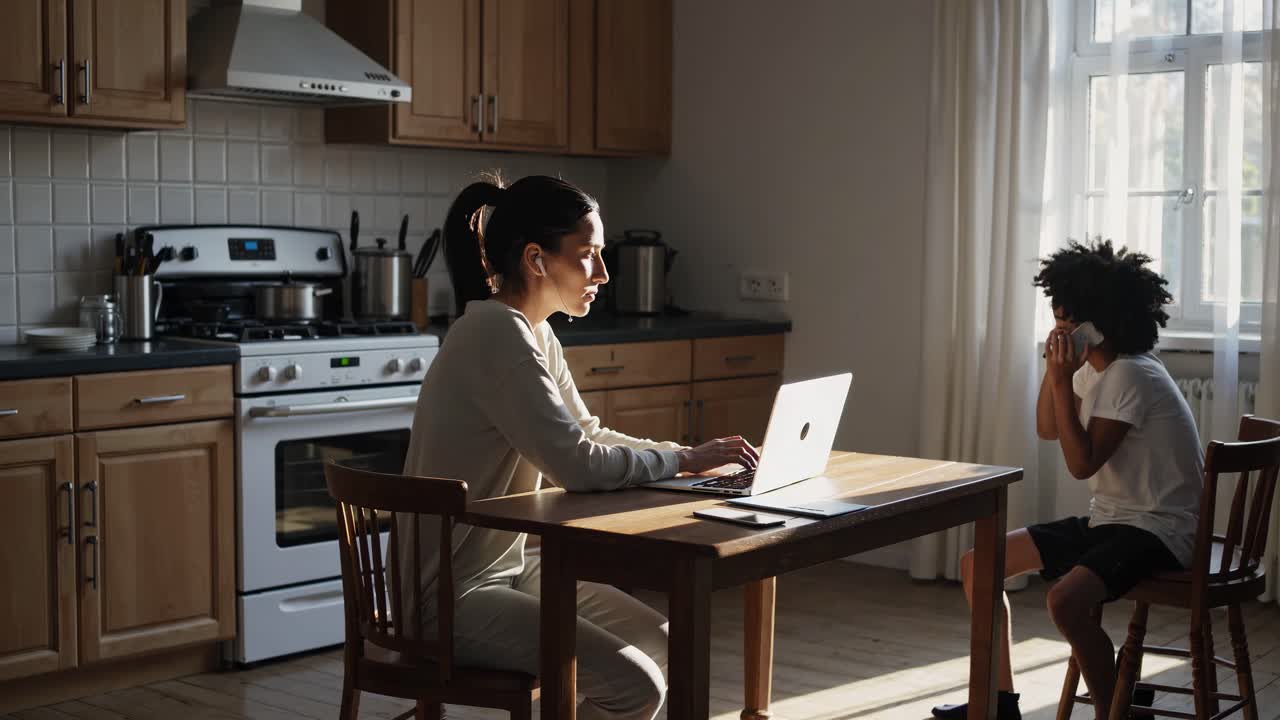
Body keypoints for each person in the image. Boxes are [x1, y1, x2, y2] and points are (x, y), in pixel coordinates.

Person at [399, 175, 760, 720]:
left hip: (510, 566)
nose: (603, 273)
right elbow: (576, 464)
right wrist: (683, 461)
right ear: (536, 260)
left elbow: (585, 433)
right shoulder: (496, 335)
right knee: (637, 687)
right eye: (588, 255)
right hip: (452, 596)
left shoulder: (533, 331)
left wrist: (688, 456)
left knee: (667, 639)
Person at [932, 240, 1203, 720]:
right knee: (979, 565)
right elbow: (1047, 428)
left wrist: (1061, 380)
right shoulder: (1096, 371)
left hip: (1159, 530)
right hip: (1114, 521)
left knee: (1064, 601)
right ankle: (997, 705)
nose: (1059, 332)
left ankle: (1113, 709)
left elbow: (1082, 464)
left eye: (1067, 325)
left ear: (1100, 325)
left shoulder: (1132, 375)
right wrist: (1054, 372)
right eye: (1056, 323)